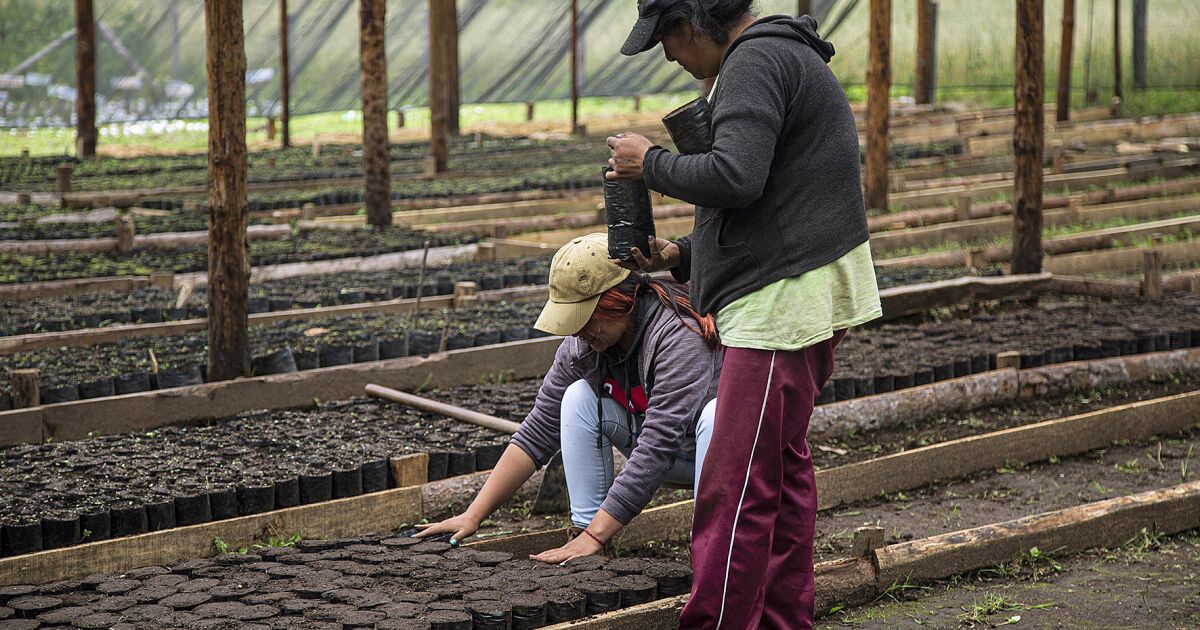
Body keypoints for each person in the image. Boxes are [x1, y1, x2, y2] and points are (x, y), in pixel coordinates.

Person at [608, 1, 883, 628]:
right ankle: (785, 619)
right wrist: (681, 255)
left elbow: (737, 176)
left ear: (690, 23)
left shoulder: (754, 60)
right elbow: (765, 194)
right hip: (801, 288)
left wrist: (647, 163)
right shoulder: (777, 54)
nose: (672, 57)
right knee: (781, 472)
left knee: (735, 483)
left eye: (669, 42)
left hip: (781, 305)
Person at [416, 233, 722, 564]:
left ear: (617, 300)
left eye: (586, 318)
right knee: (578, 397)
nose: (578, 331)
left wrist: (598, 534)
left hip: (723, 463)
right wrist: (473, 514)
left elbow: (658, 445)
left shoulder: (678, 337)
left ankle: (713, 551)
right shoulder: (583, 347)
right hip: (670, 455)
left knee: (715, 415)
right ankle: (584, 538)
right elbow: (537, 432)